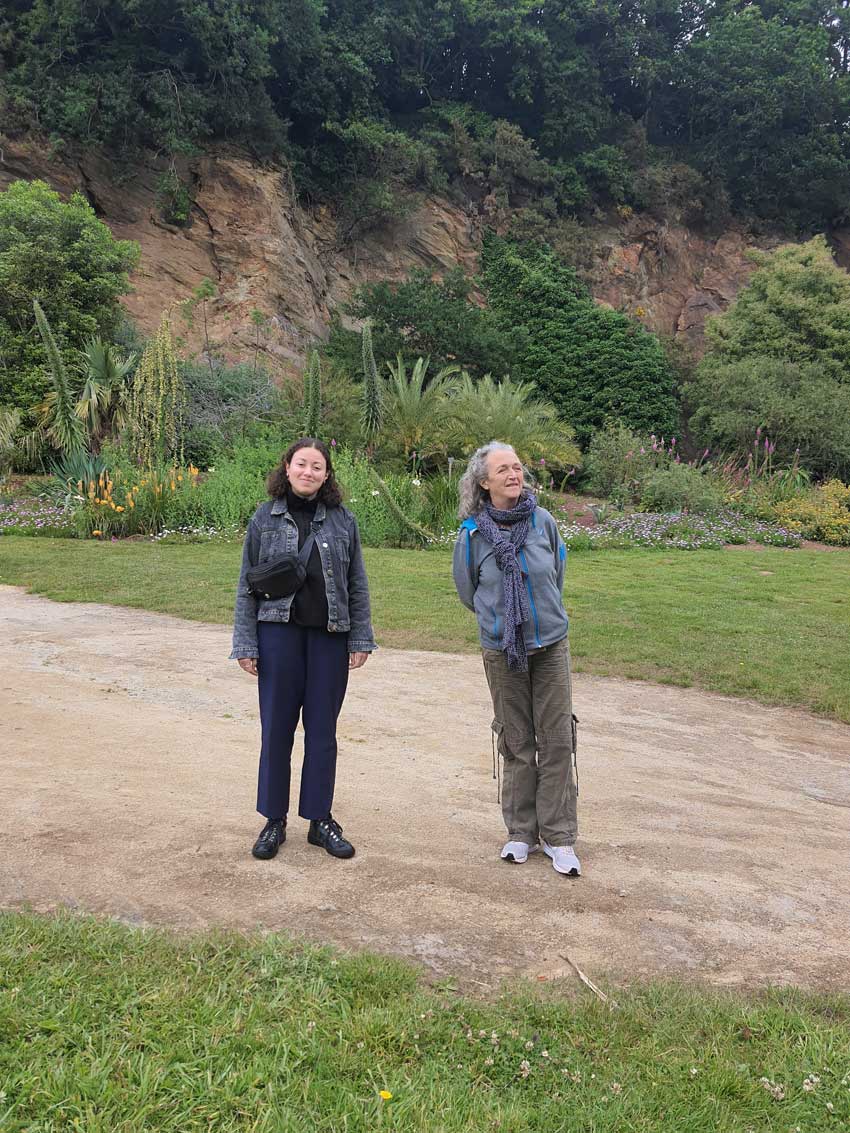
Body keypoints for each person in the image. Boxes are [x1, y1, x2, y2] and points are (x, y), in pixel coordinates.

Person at [231, 437, 376, 861]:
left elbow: (357, 584)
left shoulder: (343, 521)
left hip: (329, 639)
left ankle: (319, 819)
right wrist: (246, 642)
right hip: (278, 637)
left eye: (317, 466)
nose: (308, 472)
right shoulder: (265, 518)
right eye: (301, 464)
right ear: (288, 468)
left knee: (322, 733)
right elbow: (247, 585)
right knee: (276, 730)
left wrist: (360, 638)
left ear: (326, 474)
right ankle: (273, 820)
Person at [452, 441, 581, 876]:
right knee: (518, 743)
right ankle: (521, 833)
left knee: (558, 739)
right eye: (503, 470)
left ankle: (560, 837)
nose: (513, 474)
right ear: (483, 482)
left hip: (550, 646)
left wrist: (538, 617)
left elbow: (556, 576)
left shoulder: (543, 523)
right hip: (502, 650)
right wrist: (502, 624)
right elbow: (469, 591)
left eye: (518, 468)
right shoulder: (471, 534)